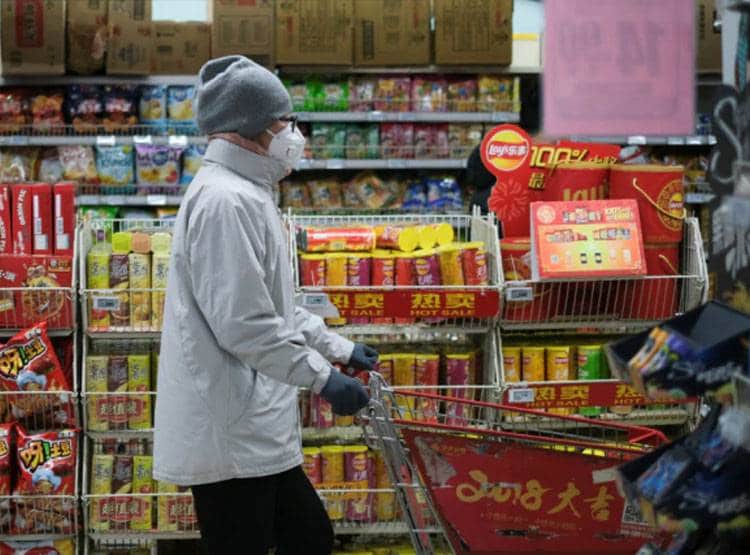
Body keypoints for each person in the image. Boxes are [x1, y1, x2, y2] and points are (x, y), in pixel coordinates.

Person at [153, 55, 378, 555]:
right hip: (231, 431)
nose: (293, 133)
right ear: (249, 126)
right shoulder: (225, 202)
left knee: (310, 538)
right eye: (284, 120)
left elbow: (273, 304)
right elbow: (246, 324)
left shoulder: (249, 194)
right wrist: (322, 378)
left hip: (254, 424)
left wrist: (338, 348)